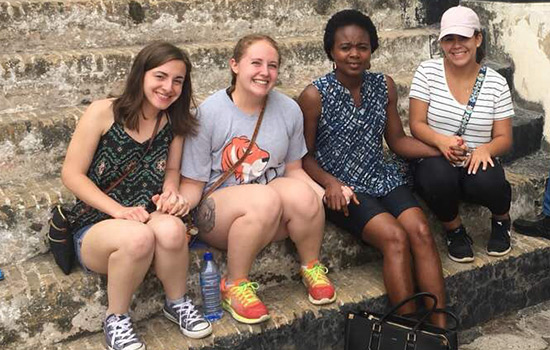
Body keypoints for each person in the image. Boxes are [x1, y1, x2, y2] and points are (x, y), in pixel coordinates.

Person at [298, 9, 446, 326]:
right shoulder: (314, 96)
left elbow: (397, 140)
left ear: (372, 49)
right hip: (343, 188)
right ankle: (409, 336)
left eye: (362, 47)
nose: (354, 54)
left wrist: (441, 150)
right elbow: (304, 157)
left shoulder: (384, 85)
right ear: (331, 52)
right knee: (394, 238)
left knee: (420, 230)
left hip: (382, 176)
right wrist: (330, 184)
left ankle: (442, 331)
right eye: (345, 47)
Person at [61, 42, 212, 350]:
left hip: (145, 215)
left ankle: (177, 302)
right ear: (141, 74)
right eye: (160, 76)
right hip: (96, 226)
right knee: (137, 238)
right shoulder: (103, 112)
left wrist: (171, 194)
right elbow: (71, 175)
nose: (168, 87)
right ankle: (116, 318)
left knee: (172, 229)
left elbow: (171, 171)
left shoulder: (173, 123)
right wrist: (118, 210)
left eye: (178, 81)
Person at [177, 34, 336, 325]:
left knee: (303, 195)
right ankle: (235, 284)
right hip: (219, 215)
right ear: (235, 65)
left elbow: (295, 170)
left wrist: (323, 193)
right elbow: (193, 185)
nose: (265, 72)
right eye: (256, 63)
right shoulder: (208, 114)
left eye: (272, 65)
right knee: (265, 199)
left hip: (268, 212)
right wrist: (177, 206)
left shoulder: (288, 109)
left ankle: (311, 265)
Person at [409, 6, 514, 263]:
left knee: (488, 181)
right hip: (437, 156)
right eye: (449, 39)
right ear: (442, 43)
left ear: (477, 39)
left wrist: (485, 149)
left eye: (463, 38)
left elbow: (504, 137)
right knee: (436, 178)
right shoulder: (427, 72)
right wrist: (441, 141)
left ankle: (501, 219)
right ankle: (454, 230)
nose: (456, 46)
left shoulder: (496, 83)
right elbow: (417, 123)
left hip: (475, 159)